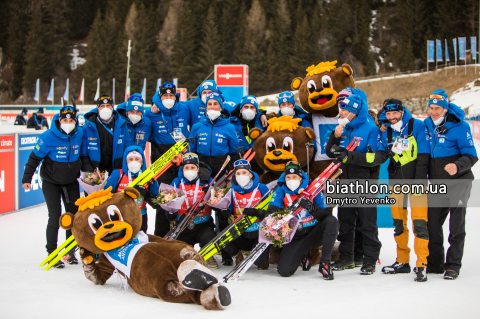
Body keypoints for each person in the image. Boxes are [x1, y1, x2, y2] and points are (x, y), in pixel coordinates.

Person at [342, 98, 430, 281]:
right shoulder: (386, 131)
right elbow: (379, 157)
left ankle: (422, 263)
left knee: (420, 223)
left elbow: (423, 156)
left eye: (395, 113)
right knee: (399, 223)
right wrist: (351, 157)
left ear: (402, 112)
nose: (392, 117)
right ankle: (403, 261)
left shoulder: (417, 126)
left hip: (416, 182)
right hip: (395, 181)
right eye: (388, 114)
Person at [244, 161, 339, 279]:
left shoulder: (313, 189)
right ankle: (304, 253)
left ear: (300, 177)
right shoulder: (281, 190)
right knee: (284, 271)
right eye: (288, 177)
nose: (291, 179)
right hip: (295, 236)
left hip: (314, 233)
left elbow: (327, 214)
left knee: (332, 221)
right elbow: (271, 212)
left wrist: (311, 207)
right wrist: (282, 214)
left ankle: (325, 262)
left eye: (294, 177)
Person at [22, 106, 88, 268]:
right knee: (55, 216)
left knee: (72, 217)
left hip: (71, 182)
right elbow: (34, 159)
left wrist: (88, 173)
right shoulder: (48, 137)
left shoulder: (79, 133)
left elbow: (83, 155)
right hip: (51, 182)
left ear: (75, 121)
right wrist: (27, 179)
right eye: (64, 120)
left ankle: (69, 251)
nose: (68, 123)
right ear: (59, 120)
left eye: (71, 120)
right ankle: (52, 252)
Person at [326, 88, 382, 275]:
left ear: (354, 111)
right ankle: (346, 257)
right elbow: (330, 152)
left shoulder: (371, 129)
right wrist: (335, 136)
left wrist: (349, 157)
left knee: (367, 224)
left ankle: (370, 260)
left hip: (364, 182)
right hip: (344, 180)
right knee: (346, 221)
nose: (339, 113)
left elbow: (374, 158)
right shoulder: (344, 127)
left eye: (343, 110)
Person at [424, 89, 478, 280]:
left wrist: (457, 165)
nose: (434, 112)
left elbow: (472, 156)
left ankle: (453, 265)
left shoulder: (460, 126)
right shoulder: (428, 124)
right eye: (431, 108)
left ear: (445, 108)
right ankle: (435, 263)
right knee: (432, 224)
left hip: (458, 182)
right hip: (437, 184)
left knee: (456, 226)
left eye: (437, 108)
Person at [145, 83, 189, 237]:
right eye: (165, 96)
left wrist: (263, 113)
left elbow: (206, 104)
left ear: (176, 97)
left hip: (183, 164)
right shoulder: (150, 113)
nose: (168, 98)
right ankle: (160, 236)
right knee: (164, 200)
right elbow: (125, 111)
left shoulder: (184, 108)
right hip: (162, 164)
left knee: (183, 200)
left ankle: (182, 235)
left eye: (171, 96)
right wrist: (153, 103)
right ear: (160, 97)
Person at [168, 153, 218, 268]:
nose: (189, 170)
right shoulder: (176, 182)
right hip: (183, 224)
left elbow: (218, 201)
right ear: (182, 169)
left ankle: (207, 255)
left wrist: (211, 193)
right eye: (187, 167)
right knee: (180, 251)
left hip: (203, 223)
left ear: (197, 168)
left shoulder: (207, 181)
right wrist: (170, 213)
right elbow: (168, 200)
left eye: (192, 167)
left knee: (209, 237)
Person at [218, 159, 270, 267]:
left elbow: (271, 212)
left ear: (250, 174)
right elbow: (227, 212)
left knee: (260, 263)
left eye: (244, 173)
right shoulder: (231, 191)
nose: (241, 176)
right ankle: (237, 254)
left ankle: (261, 254)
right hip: (240, 233)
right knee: (221, 239)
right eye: (238, 173)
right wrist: (224, 213)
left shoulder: (261, 188)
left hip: (258, 233)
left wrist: (257, 212)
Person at [104, 146, 159, 233]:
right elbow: (105, 196)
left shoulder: (148, 177)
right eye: (130, 159)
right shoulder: (117, 174)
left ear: (142, 162)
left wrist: (146, 194)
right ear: (126, 161)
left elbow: (156, 203)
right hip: (121, 217)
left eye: (137, 159)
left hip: (140, 217)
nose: (134, 162)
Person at [189, 92, 239, 178]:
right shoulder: (196, 126)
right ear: (206, 107)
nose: (212, 107)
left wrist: (232, 167)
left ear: (221, 107)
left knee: (219, 191)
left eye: (215, 104)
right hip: (201, 167)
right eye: (209, 104)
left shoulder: (229, 127)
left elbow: (234, 150)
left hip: (222, 167)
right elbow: (191, 150)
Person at [81, 95, 132, 175]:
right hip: (94, 173)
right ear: (98, 108)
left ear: (112, 107)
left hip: (116, 172)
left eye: (108, 105)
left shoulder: (121, 125)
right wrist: (90, 171)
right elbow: (83, 153)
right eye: (102, 106)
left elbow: (127, 148)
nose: (105, 108)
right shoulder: (88, 126)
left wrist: (122, 170)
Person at [228, 95, 266, 175]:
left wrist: (262, 114)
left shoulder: (263, 123)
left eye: (252, 107)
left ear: (256, 111)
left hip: (258, 166)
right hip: (239, 165)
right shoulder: (232, 123)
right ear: (241, 110)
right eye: (246, 107)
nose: (249, 109)